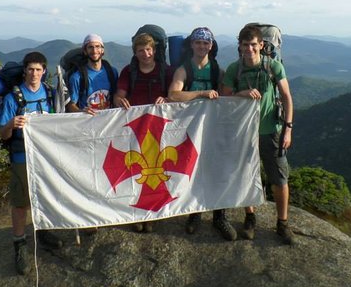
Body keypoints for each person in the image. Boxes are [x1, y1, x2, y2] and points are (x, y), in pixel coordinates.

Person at [221, 24, 295, 244]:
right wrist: (240, 93)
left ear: (261, 45)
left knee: (279, 179)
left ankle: (282, 223)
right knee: (246, 176)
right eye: (245, 45)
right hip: (244, 132)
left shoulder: (273, 67)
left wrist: (288, 129)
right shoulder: (235, 69)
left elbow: (287, 96)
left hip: (272, 131)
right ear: (240, 46)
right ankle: (250, 217)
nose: (249, 49)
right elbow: (224, 99)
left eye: (253, 45)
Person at [167, 27, 237, 241]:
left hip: (213, 127)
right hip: (190, 127)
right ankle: (195, 213)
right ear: (191, 45)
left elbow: (227, 96)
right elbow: (173, 94)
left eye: (206, 43)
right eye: (198, 42)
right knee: (193, 169)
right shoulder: (184, 69)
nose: (202, 46)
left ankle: (220, 216)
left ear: (211, 46)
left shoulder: (217, 70)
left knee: (218, 170)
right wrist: (200, 93)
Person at [0, 51, 64, 276]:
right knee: (20, 203)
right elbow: (4, 135)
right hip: (21, 156)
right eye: (30, 69)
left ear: (44, 71)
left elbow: (60, 121)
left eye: (38, 70)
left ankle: (43, 231)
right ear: (24, 71)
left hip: (45, 157)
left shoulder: (50, 93)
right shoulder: (13, 98)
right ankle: (19, 245)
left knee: (46, 196)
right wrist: (11, 123)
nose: (34, 74)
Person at [113, 31, 173, 233]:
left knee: (155, 174)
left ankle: (151, 213)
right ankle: (137, 213)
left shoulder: (166, 71)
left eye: (148, 49)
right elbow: (118, 96)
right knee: (136, 173)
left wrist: (167, 99)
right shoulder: (129, 72)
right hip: (135, 128)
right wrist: (120, 101)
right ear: (135, 52)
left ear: (154, 50)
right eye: (141, 50)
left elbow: (175, 96)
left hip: (158, 129)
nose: (145, 54)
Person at [66, 33, 118, 114]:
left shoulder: (112, 72)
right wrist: (81, 111)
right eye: (90, 47)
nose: (94, 51)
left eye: (97, 46)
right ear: (85, 51)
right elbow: (71, 105)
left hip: (108, 121)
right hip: (88, 122)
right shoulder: (77, 77)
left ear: (102, 50)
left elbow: (115, 95)